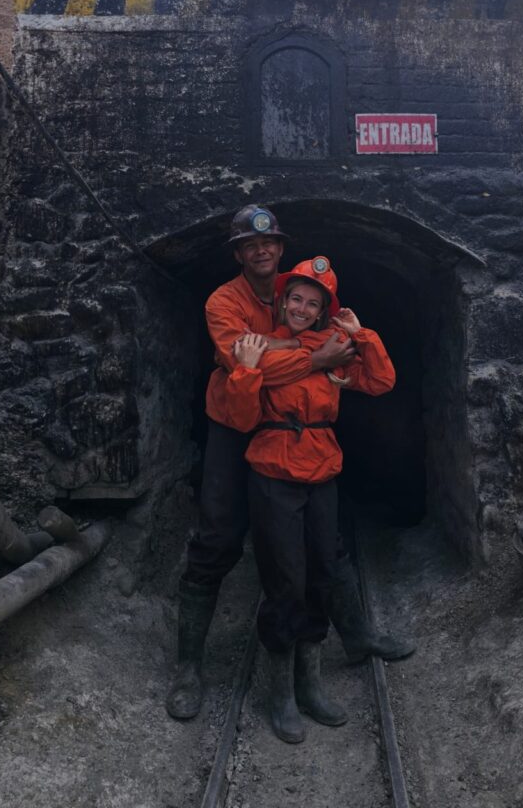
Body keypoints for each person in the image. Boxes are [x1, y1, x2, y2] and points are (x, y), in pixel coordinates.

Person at [166, 205, 415, 720]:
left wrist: (296, 350)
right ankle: (189, 665)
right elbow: (241, 363)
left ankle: (356, 634)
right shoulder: (223, 300)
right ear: (238, 253)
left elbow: (310, 344)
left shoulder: (293, 289)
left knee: (326, 544)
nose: (262, 250)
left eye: (270, 243)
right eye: (251, 245)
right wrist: (314, 358)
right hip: (234, 424)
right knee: (217, 538)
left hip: (287, 428)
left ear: (280, 248)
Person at [225, 256, 398, 742]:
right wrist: (247, 370)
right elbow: (240, 417)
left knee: (322, 572)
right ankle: (280, 694)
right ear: (283, 301)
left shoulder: (334, 346)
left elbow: (381, 381)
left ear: (324, 311)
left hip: (322, 471)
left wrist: (360, 334)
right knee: (285, 581)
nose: (302, 308)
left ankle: (311, 684)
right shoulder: (262, 347)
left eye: (313, 303)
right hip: (273, 473)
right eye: (296, 299)